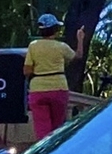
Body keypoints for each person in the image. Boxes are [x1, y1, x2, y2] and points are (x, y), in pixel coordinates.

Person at [23, 12, 76, 143]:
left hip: (38, 89)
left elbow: (27, 70)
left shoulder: (33, 46)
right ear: (55, 30)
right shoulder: (61, 47)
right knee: (58, 127)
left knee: (42, 129)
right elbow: (76, 56)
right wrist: (80, 40)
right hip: (59, 87)